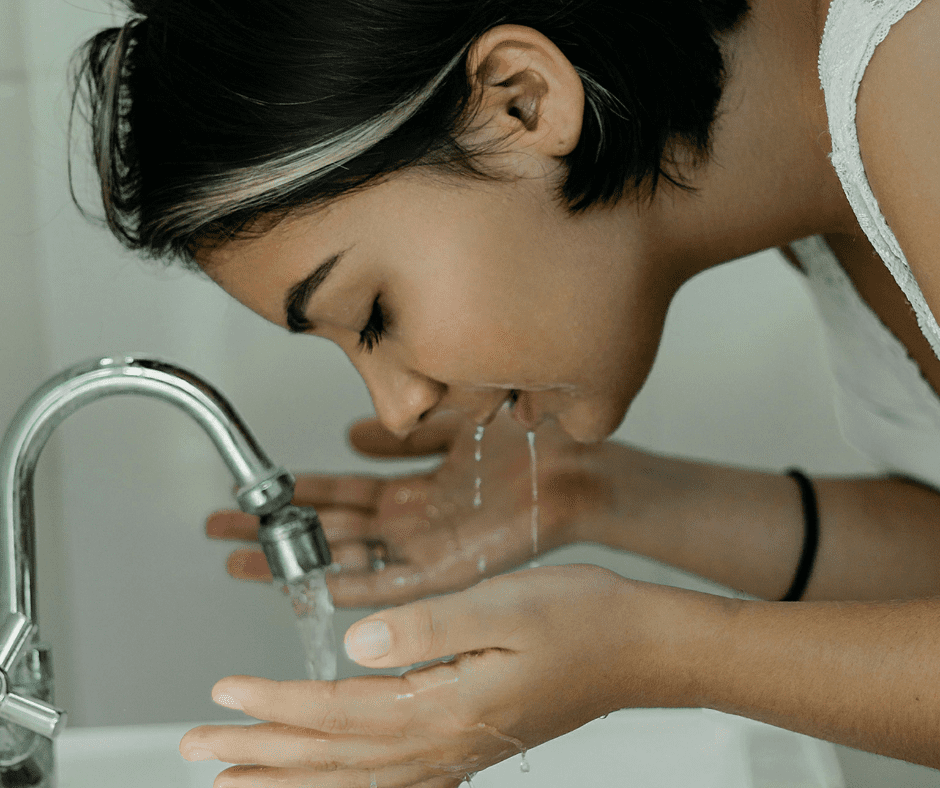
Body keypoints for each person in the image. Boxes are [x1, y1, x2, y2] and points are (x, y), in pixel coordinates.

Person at [71, 0, 940, 782]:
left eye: (374, 314)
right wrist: (598, 495)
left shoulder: (922, 72)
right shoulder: (823, 180)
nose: (398, 408)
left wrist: (653, 653)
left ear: (521, 99)